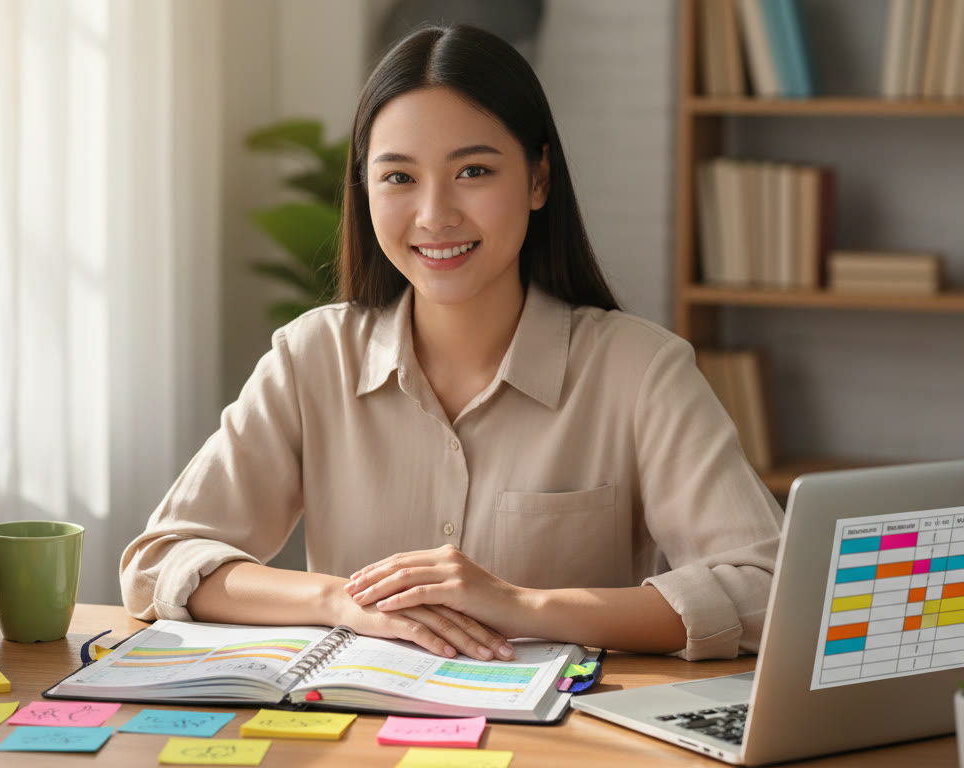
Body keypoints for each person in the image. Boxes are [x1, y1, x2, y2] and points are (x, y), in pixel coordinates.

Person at [120, 24, 782, 662]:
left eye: (473, 172)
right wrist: (344, 600)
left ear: (538, 178)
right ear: (365, 190)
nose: (435, 215)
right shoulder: (312, 358)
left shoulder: (641, 371)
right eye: (399, 178)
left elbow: (767, 587)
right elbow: (160, 563)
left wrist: (520, 604)